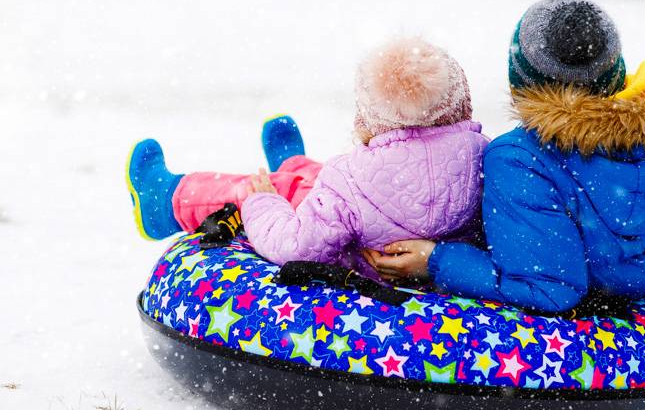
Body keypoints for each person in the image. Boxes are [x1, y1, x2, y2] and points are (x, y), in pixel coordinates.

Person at [367, 0, 645, 313]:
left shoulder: (519, 158)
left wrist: (435, 260)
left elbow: (547, 288)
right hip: (630, 285)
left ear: (523, 83)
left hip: (559, 313)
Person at [126, 38, 489, 280]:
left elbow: (296, 245)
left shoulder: (349, 179)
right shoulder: (485, 156)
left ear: (370, 116)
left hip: (363, 260)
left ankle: (168, 200)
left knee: (268, 190)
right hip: (421, 258)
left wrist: (261, 203)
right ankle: (294, 164)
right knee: (316, 181)